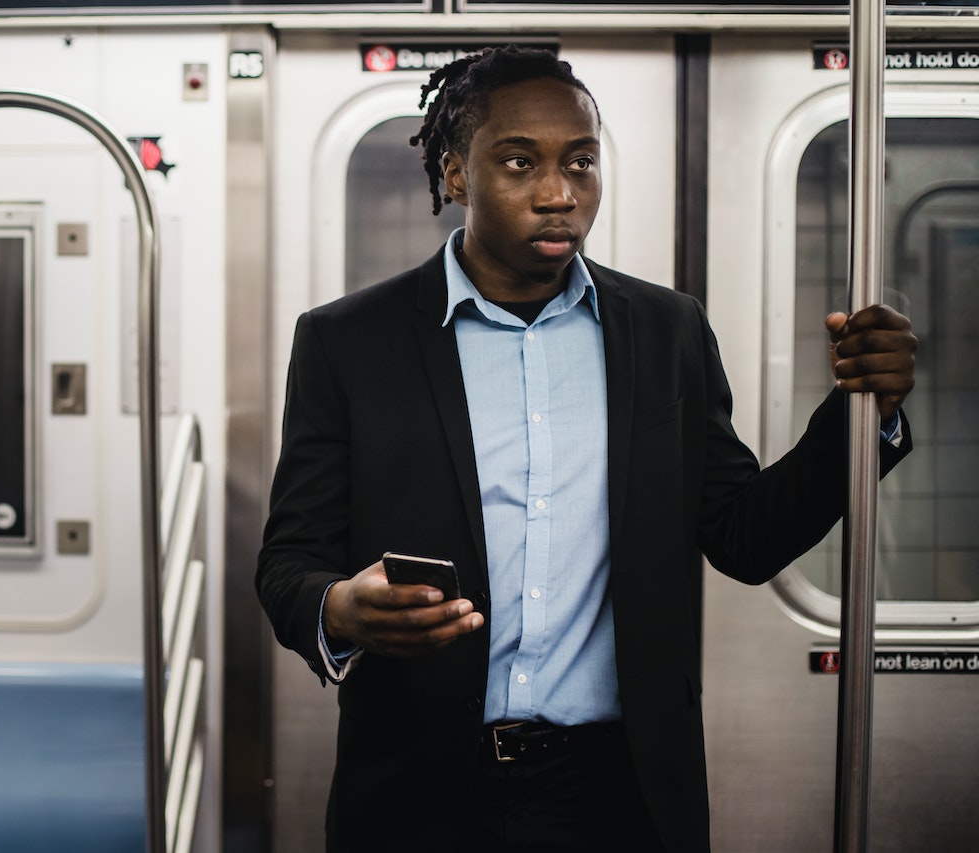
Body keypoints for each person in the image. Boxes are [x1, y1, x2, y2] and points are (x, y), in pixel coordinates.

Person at [256, 46, 916, 853]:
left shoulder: (665, 331)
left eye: (581, 161)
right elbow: (288, 563)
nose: (559, 193)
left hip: (620, 792)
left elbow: (747, 536)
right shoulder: (347, 342)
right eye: (519, 162)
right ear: (455, 175)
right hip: (419, 791)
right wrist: (341, 610)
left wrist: (862, 415)